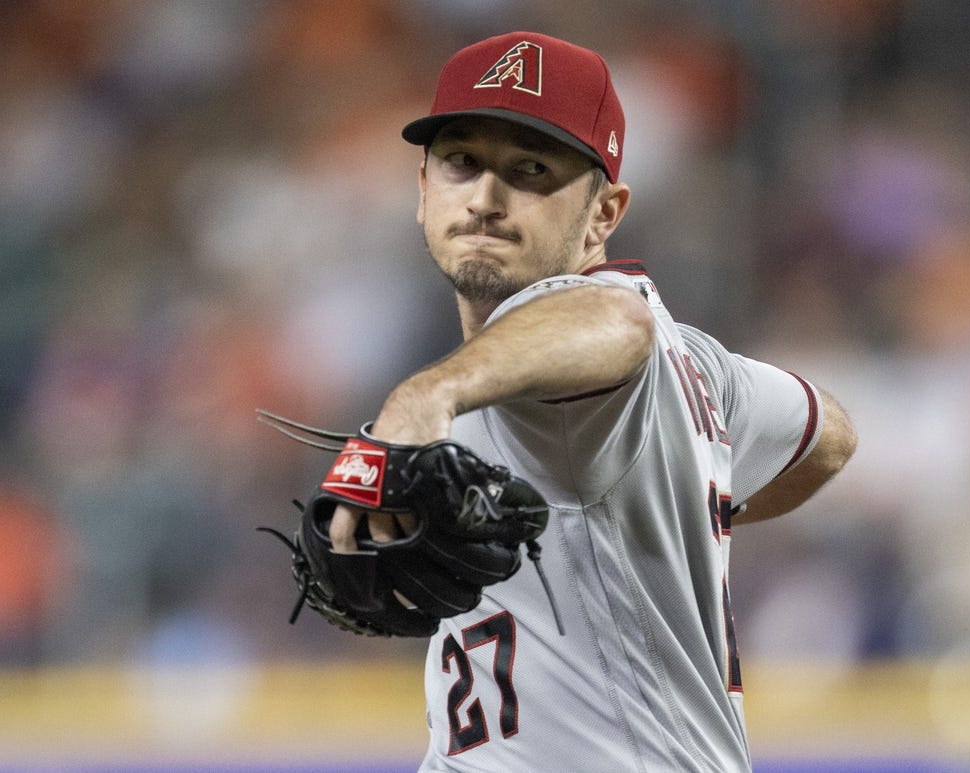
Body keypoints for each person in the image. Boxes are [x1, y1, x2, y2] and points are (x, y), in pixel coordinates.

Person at [329, 31, 857, 772]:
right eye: (461, 162)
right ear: (422, 191)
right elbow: (828, 432)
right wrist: (681, 509)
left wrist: (426, 394)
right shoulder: (701, 364)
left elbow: (612, 321)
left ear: (604, 215)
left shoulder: (600, 330)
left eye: (531, 170)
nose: (484, 197)